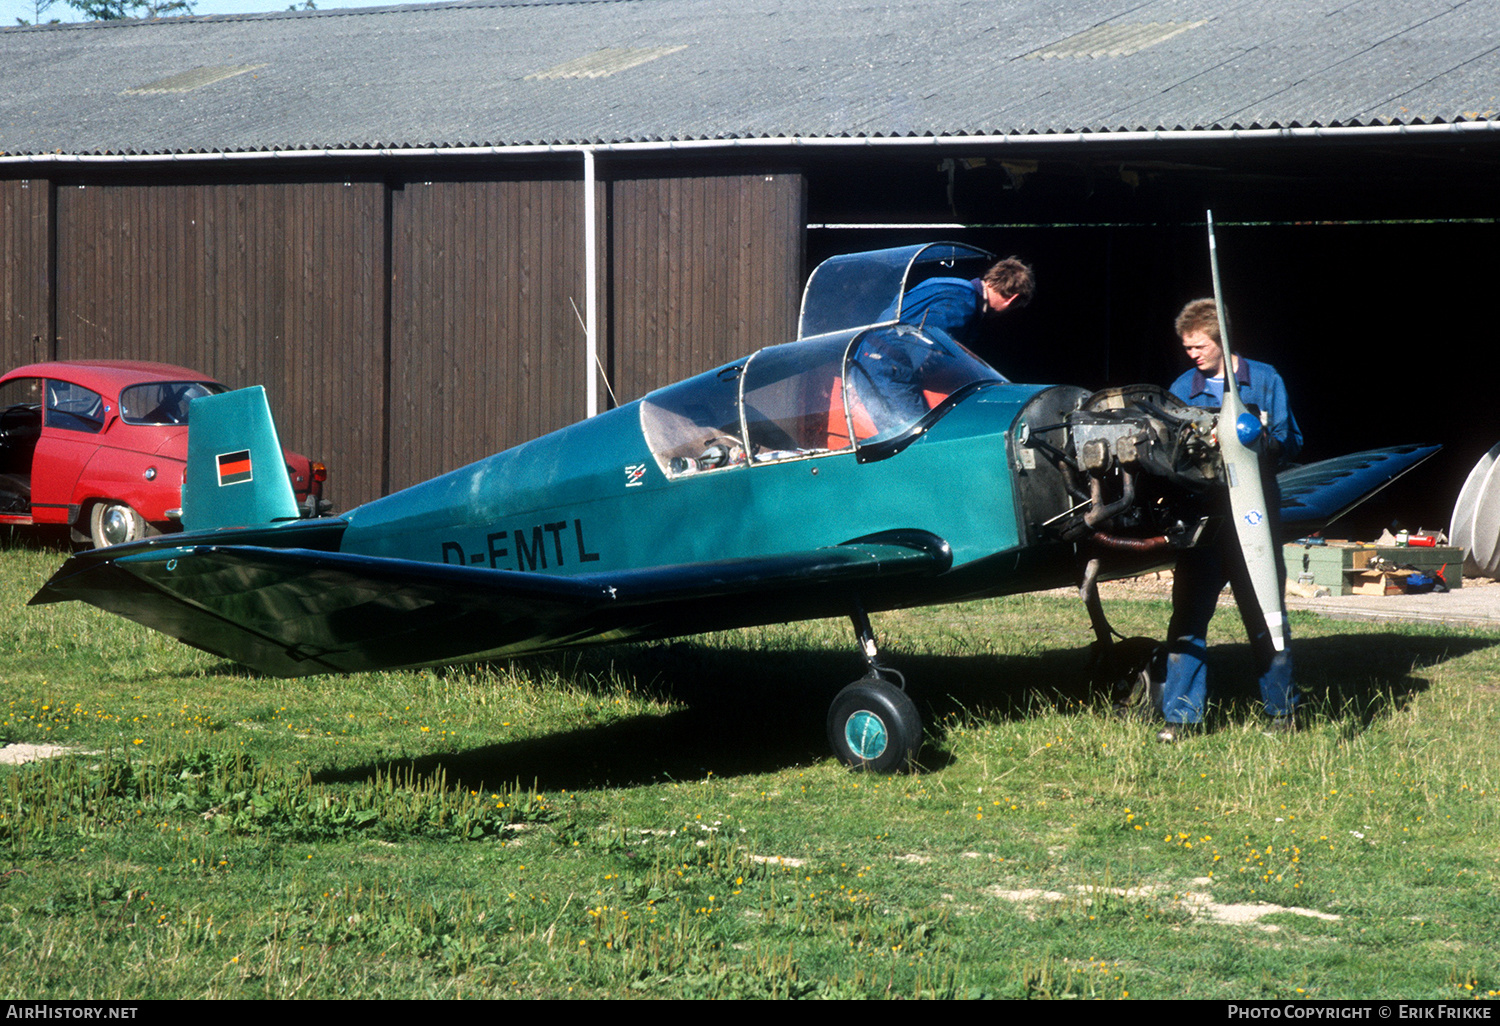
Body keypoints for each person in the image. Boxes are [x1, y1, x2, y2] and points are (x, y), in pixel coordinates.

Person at [1159, 298, 1302, 742]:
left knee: (1266, 615)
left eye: (1200, 346)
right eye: (1187, 348)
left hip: (1255, 520)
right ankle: (1180, 717)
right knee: (1187, 620)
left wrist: (1260, 441)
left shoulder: (1264, 380)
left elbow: (1290, 441)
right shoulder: (1183, 387)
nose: (1193, 355)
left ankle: (1283, 712)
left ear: (1223, 341)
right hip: (1204, 523)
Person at [881, 256, 1035, 346]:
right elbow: (929, 349)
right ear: (1011, 300)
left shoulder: (947, 284)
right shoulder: (964, 302)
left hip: (872, 353)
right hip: (891, 371)